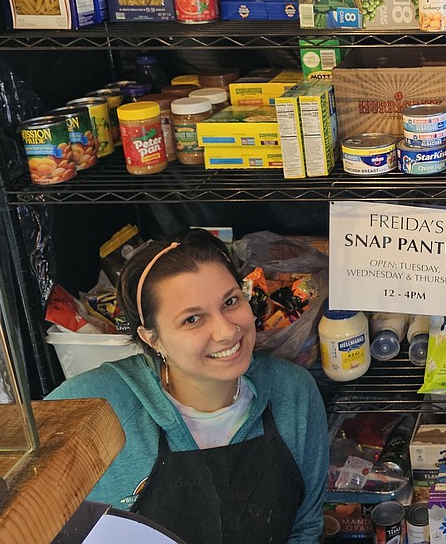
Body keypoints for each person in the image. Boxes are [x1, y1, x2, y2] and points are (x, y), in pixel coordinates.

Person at [48, 229, 328, 544]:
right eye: (192, 320)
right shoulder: (94, 405)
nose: (226, 331)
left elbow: (303, 529)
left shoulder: (292, 393)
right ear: (152, 338)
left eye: (230, 301)